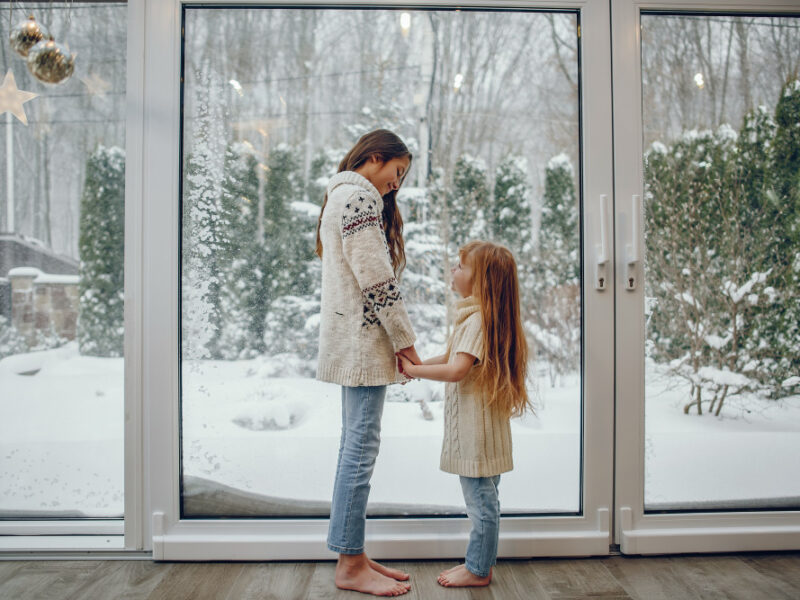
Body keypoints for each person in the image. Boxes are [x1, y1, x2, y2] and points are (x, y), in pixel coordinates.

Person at [315, 129, 421, 597]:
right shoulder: (358, 202)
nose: (396, 185)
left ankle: (352, 552)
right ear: (374, 158)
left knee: (353, 448)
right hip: (362, 345)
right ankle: (349, 564)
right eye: (396, 173)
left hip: (349, 343)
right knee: (360, 451)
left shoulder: (339, 197)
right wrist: (405, 342)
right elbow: (377, 281)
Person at [398, 240, 531, 588]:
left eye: (460, 267)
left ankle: (478, 568)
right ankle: (478, 564)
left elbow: (457, 369)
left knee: (482, 505)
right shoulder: (480, 317)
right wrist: (414, 365)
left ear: (481, 280)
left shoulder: (478, 321)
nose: (453, 271)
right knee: (486, 500)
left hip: (477, 434)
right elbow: (450, 356)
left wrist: (414, 372)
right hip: (485, 431)